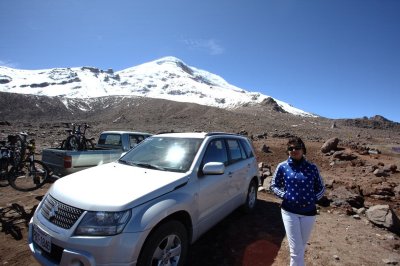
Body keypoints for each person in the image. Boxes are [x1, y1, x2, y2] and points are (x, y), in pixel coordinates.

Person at [270, 137, 325, 266]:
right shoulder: (282, 166)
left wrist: (314, 198)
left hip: (309, 212)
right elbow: (274, 185)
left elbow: (321, 187)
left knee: (301, 246)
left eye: (297, 148)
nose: (294, 150)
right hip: (290, 212)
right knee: (295, 249)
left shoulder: (312, 168)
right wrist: (285, 195)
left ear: (303, 149)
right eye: (291, 148)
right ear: (287, 151)